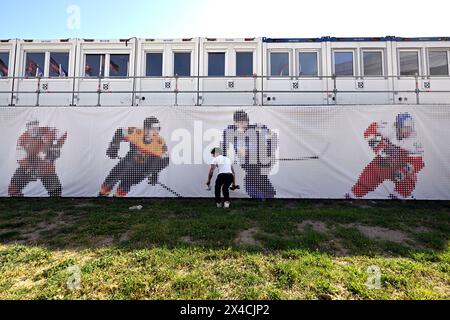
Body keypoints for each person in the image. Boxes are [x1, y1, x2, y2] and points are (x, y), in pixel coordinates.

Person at [348, 113, 425, 199]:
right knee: (369, 175)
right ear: (398, 126)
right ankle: (353, 196)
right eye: (405, 128)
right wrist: (381, 148)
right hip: (383, 162)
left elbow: (418, 162)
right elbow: (369, 132)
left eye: (410, 128)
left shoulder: (415, 141)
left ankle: (398, 197)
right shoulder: (388, 127)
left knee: (411, 178)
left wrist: (404, 171)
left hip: (400, 165)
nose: (408, 131)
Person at [99, 116, 169, 197]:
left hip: (143, 169)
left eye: (158, 129)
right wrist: (114, 146)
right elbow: (120, 132)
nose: (156, 132)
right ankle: (101, 196)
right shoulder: (137, 132)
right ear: (145, 129)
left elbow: (165, 160)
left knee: (126, 184)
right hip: (128, 162)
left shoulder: (160, 142)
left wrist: (154, 172)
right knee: (112, 179)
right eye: (153, 129)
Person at [222, 110, 278, 200]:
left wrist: (267, 151)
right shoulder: (229, 130)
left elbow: (271, 135)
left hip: (259, 158)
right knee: (254, 179)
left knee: (254, 180)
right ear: (235, 122)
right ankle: (266, 195)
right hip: (247, 161)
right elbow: (225, 145)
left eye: (246, 121)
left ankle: (266, 195)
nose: (244, 124)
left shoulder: (255, 128)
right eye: (240, 122)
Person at [8, 120, 67, 197]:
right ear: (27, 128)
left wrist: (57, 147)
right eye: (31, 126)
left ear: (38, 125)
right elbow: (20, 158)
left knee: (56, 192)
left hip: (46, 167)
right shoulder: (22, 138)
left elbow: (63, 133)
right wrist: (31, 168)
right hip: (28, 167)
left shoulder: (48, 130)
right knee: (13, 189)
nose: (33, 128)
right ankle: (21, 205)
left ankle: (55, 206)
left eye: (35, 125)